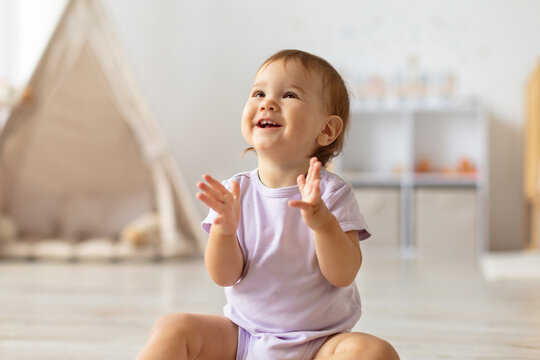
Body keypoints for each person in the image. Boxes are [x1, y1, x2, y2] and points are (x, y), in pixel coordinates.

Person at [136, 49, 399, 360]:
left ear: (327, 130)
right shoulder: (235, 193)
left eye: (289, 95)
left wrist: (322, 223)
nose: (268, 102)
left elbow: (343, 274)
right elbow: (224, 276)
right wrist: (224, 232)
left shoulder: (332, 194)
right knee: (173, 327)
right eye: (258, 92)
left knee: (375, 352)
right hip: (245, 339)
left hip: (320, 345)